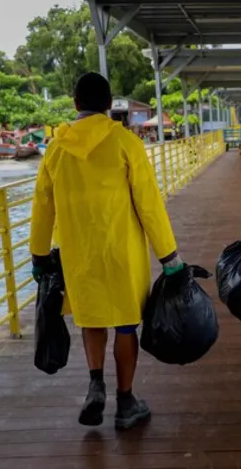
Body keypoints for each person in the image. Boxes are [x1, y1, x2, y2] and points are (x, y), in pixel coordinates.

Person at [30, 72, 186, 430]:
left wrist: (39, 255)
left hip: (77, 252)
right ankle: (126, 400)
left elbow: (43, 205)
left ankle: (95, 383)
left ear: (75, 104)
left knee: (92, 319)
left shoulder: (57, 147)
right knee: (126, 325)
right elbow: (148, 203)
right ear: (109, 103)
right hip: (122, 251)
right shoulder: (124, 142)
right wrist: (169, 256)